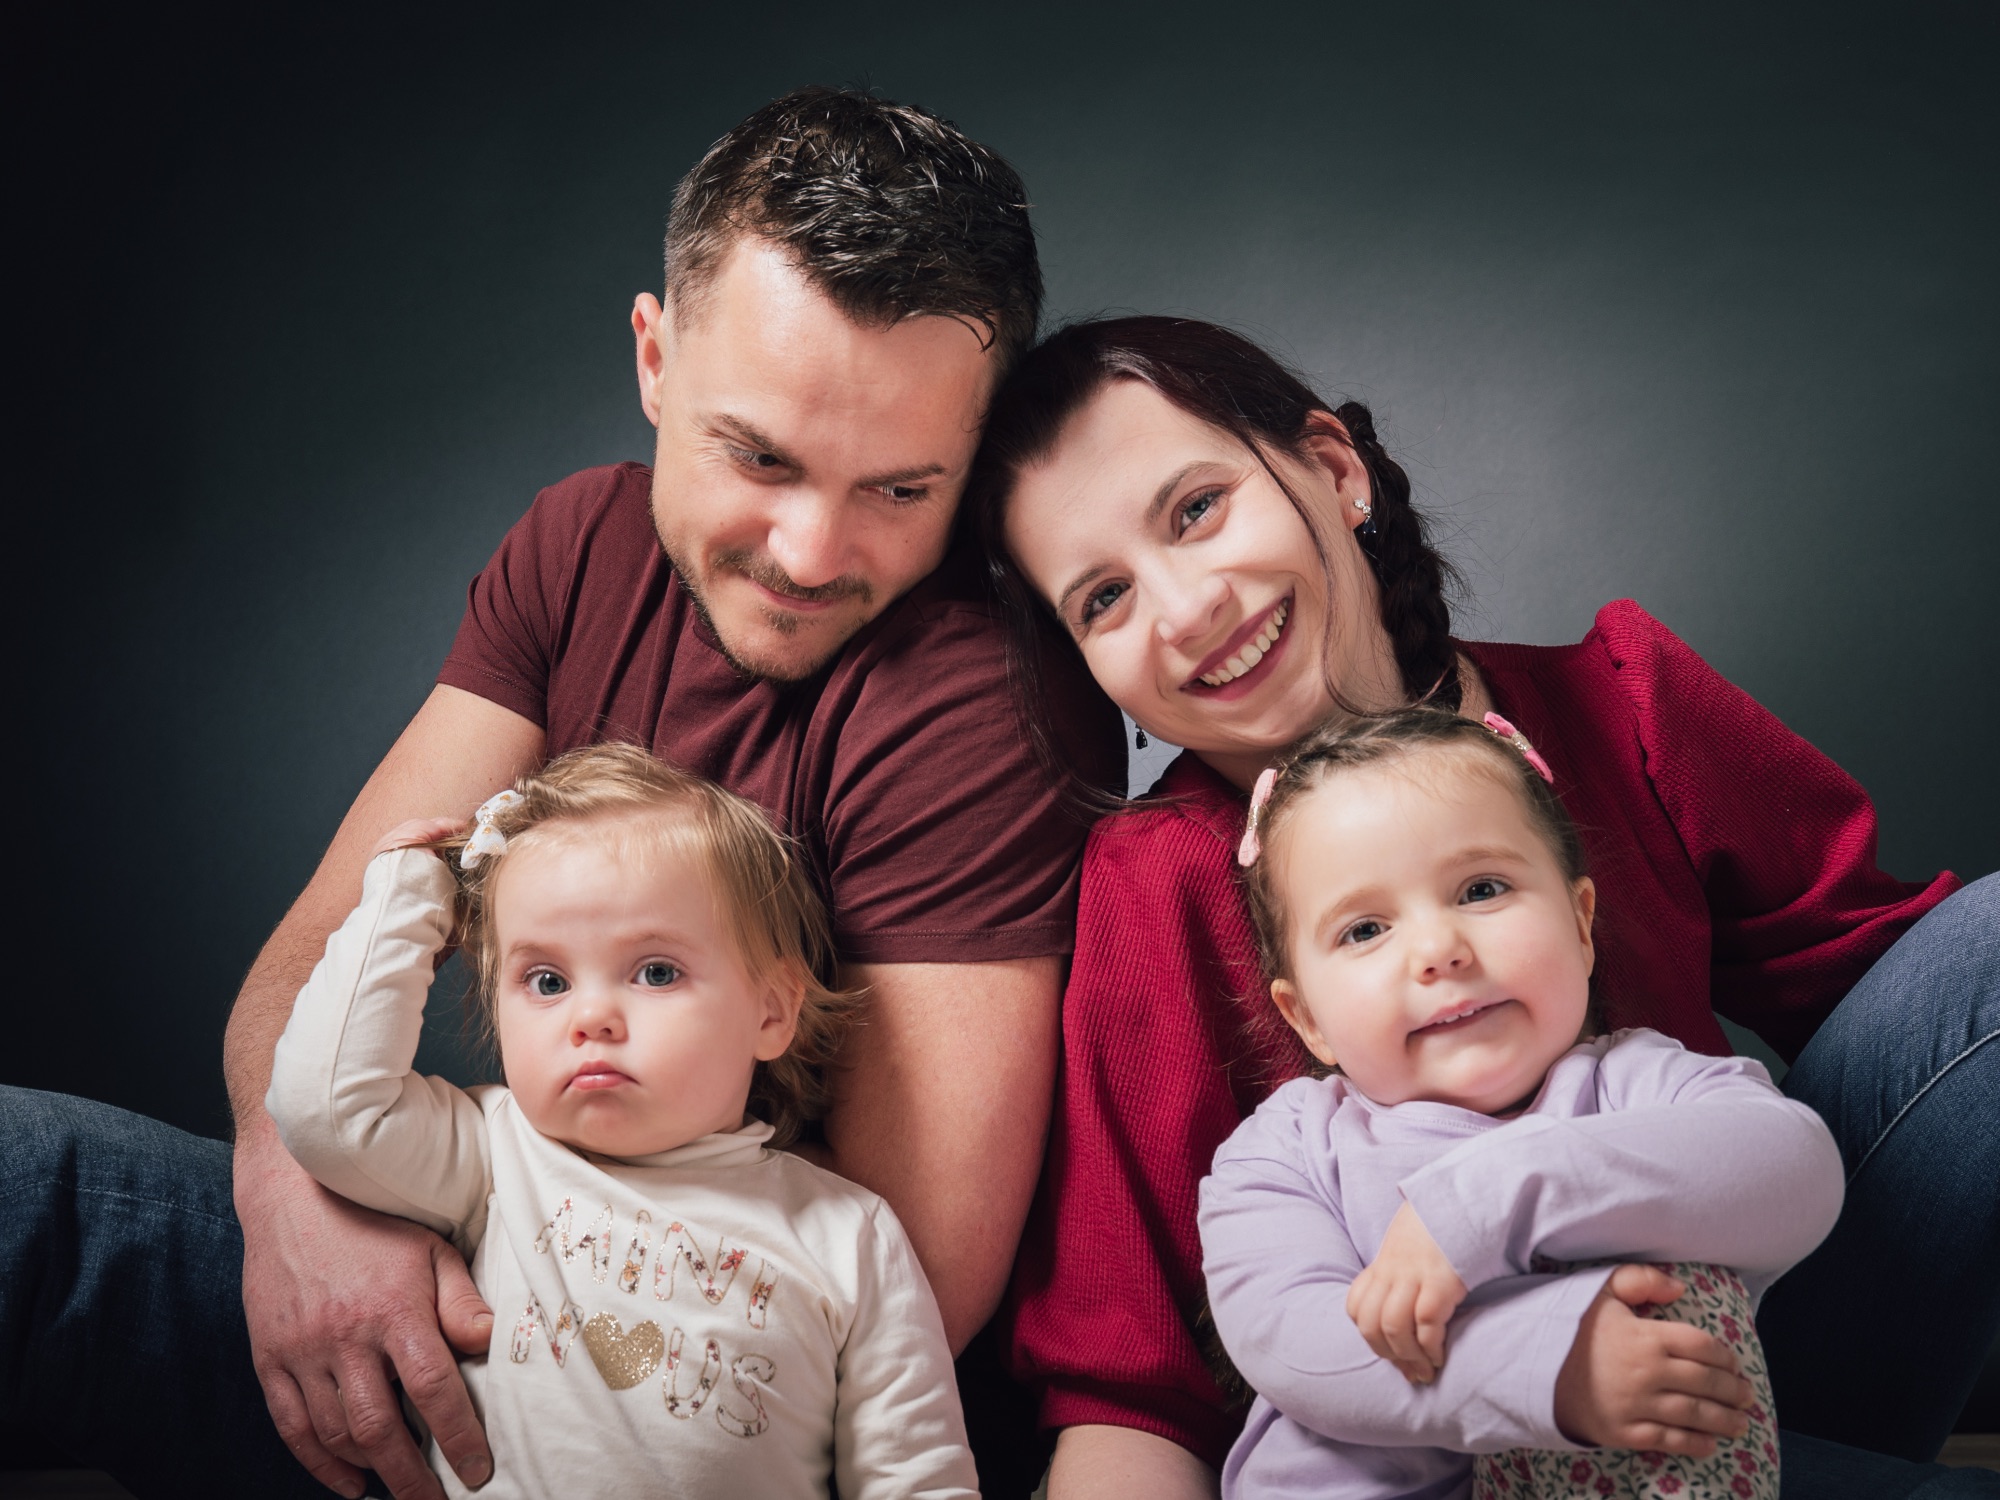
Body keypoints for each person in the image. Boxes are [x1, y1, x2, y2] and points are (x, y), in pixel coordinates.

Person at [0, 87, 1117, 1499]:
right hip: (438, 1270)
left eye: (901, 488)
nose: (812, 549)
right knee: (16, 1187)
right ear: (656, 359)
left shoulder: (984, 692)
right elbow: (302, 970)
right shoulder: (582, 542)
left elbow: (907, 1279)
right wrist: (304, 1206)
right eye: (759, 456)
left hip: (711, 1412)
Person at [968, 316, 1999, 1497]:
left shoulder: (1620, 701)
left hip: (1726, 1367)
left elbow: (1910, 1039)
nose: (1184, 609)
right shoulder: (1154, 884)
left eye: (1195, 510)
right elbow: (1128, 1378)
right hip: (1413, 1424)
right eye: (1102, 598)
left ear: (1335, 471)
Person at [265, 743, 977, 1499]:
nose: (592, 1016)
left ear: (772, 1010)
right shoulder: (494, 1153)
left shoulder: (846, 1232)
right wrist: (413, 890)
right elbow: (326, 1107)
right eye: (546, 980)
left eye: (656, 971)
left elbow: (916, 1477)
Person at [1200, 705, 1844, 1499]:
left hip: (1642, 1473)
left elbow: (1800, 1169)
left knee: (1680, 1286)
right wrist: (1550, 1367)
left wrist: (1491, 1196)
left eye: (1481, 888)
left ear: (1580, 925)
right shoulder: (1285, 1151)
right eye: (1365, 930)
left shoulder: (1639, 1085)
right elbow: (1299, 1350)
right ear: (1307, 1020)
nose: (1440, 951)